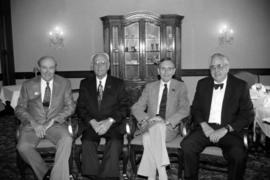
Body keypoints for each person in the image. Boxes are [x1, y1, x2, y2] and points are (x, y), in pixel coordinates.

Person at [181, 53, 254, 180]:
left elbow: (247, 114)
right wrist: (204, 125)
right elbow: (195, 108)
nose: (216, 70)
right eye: (212, 67)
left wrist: (226, 129)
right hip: (205, 129)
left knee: (238, 154)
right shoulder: (203, 83)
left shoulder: (240, 86)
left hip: (228, 131)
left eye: (219, 66)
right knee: (187, 145)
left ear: (227, 67)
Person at [16, 56, 76, 180]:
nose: (48, 71)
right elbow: (19, 108)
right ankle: (45, 174)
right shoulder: (28, 85)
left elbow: (70, 107)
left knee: (66, 140)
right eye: (44, 68)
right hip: (33, 125)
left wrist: (53, 120)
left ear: (55, 68)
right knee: (22, 147)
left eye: (51, 68)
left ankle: (57, 177)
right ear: (39, 68)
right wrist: (33, 123)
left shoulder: (64, 83)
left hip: (55, 124)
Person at [132, 58, 190, 180]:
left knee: (148, 138)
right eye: (163, 68)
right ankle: (162, 173)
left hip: (169, 127)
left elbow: (185, 109)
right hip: (150, 124)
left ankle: (153, 176)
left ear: (174, 71)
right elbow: (136, 108)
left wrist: (167, 121)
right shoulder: (150, 87)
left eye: (169, 69)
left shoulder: (180, 86)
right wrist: (148, 118)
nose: (166, 72)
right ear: (158, 71)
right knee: (155, 127)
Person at [76, 52, 129, 180]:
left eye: (103, 63)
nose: (99, 66)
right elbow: (80, 107)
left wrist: (109, 121)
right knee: (87, 142)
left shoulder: (118, 83)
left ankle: (107, 177)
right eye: (96, 63)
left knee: (115, 142)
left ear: (108, 65)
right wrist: (92, 122)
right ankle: (94, 176)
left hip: (113, 125)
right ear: (92, 66)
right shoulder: (85, 83)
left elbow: (125, 107)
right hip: (92, 124)